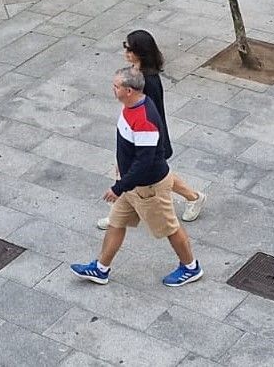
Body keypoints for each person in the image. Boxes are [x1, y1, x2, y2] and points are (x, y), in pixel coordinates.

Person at [72, 67, 204, 287]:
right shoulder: (131, 106)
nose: (113, 89)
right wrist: (122, 170)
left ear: (130, 91)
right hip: (133, 186)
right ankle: (101, 268)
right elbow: (129, 147)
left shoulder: (143, 120)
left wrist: (119, 187)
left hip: (148, 189)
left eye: (116, 86)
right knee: (116, 222)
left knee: (170, 228)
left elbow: (145, 162)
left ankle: (191, 267)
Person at [97, 30, 206, 229]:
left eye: (129, 48)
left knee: (155, 176)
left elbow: (152, 114)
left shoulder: (150, 81)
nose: (126, 51)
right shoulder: (135, 72)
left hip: (148, 138)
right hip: (133, 134)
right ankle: (193, 197)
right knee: (147, 174)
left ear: (140, 52)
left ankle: (193, 197)